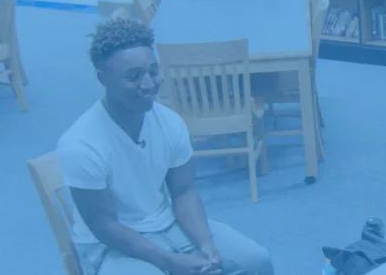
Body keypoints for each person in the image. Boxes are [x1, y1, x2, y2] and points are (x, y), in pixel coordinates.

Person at [57, 17, 274, 275]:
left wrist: (205, 243)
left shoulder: (170, 122)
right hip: (110, 244)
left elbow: (183, 192)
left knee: (256, 261)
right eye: (133, 76)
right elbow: (103, 225)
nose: (148, 84)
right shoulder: (81, 144)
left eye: (153, 71)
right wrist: (168, 261)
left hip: (168, 224)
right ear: (102, 79)